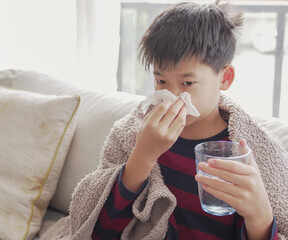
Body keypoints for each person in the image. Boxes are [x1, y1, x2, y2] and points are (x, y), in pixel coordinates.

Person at [41, 1, 288, 239]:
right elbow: (96, 231)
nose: (172, 96)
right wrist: (143, 156)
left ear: (225, 78)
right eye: (161, 81)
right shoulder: (133, 135)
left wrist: (260, 215)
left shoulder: (251, 153)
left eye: (187, 83)